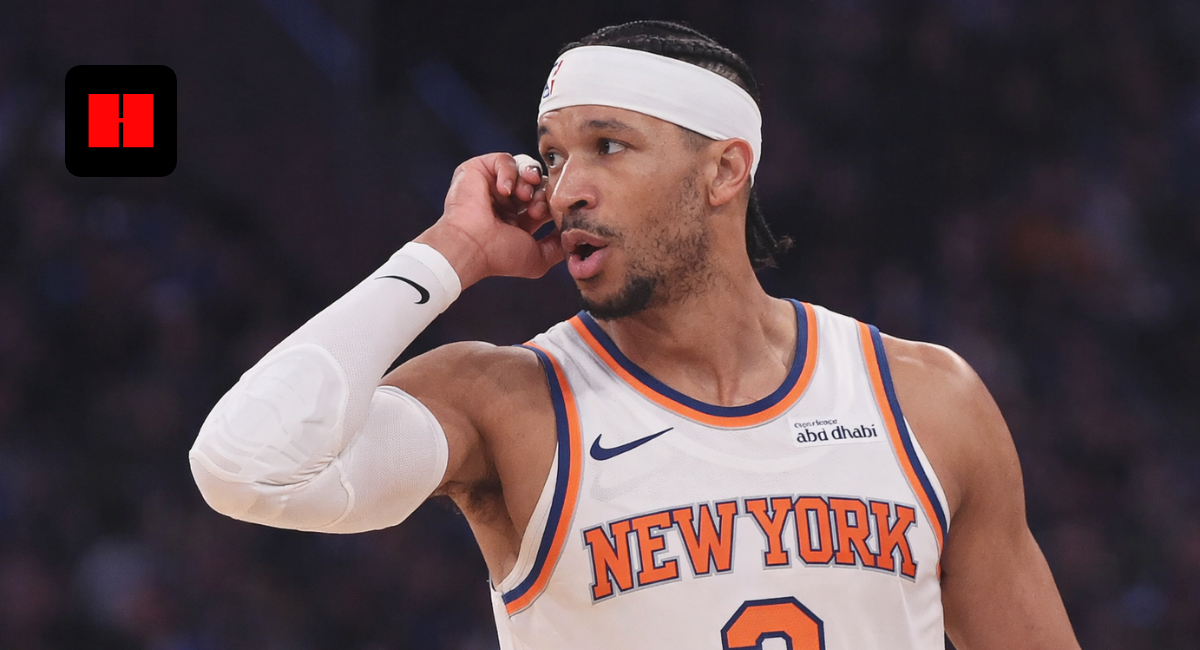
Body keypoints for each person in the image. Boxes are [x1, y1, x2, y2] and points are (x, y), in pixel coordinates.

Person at [189, 20, 1081, 650]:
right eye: (555, 153)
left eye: (608, 146)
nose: (566, 185)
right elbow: (245, 466)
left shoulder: (928, 399)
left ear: (726, 168)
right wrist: (451, 250)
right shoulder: (507, 403)